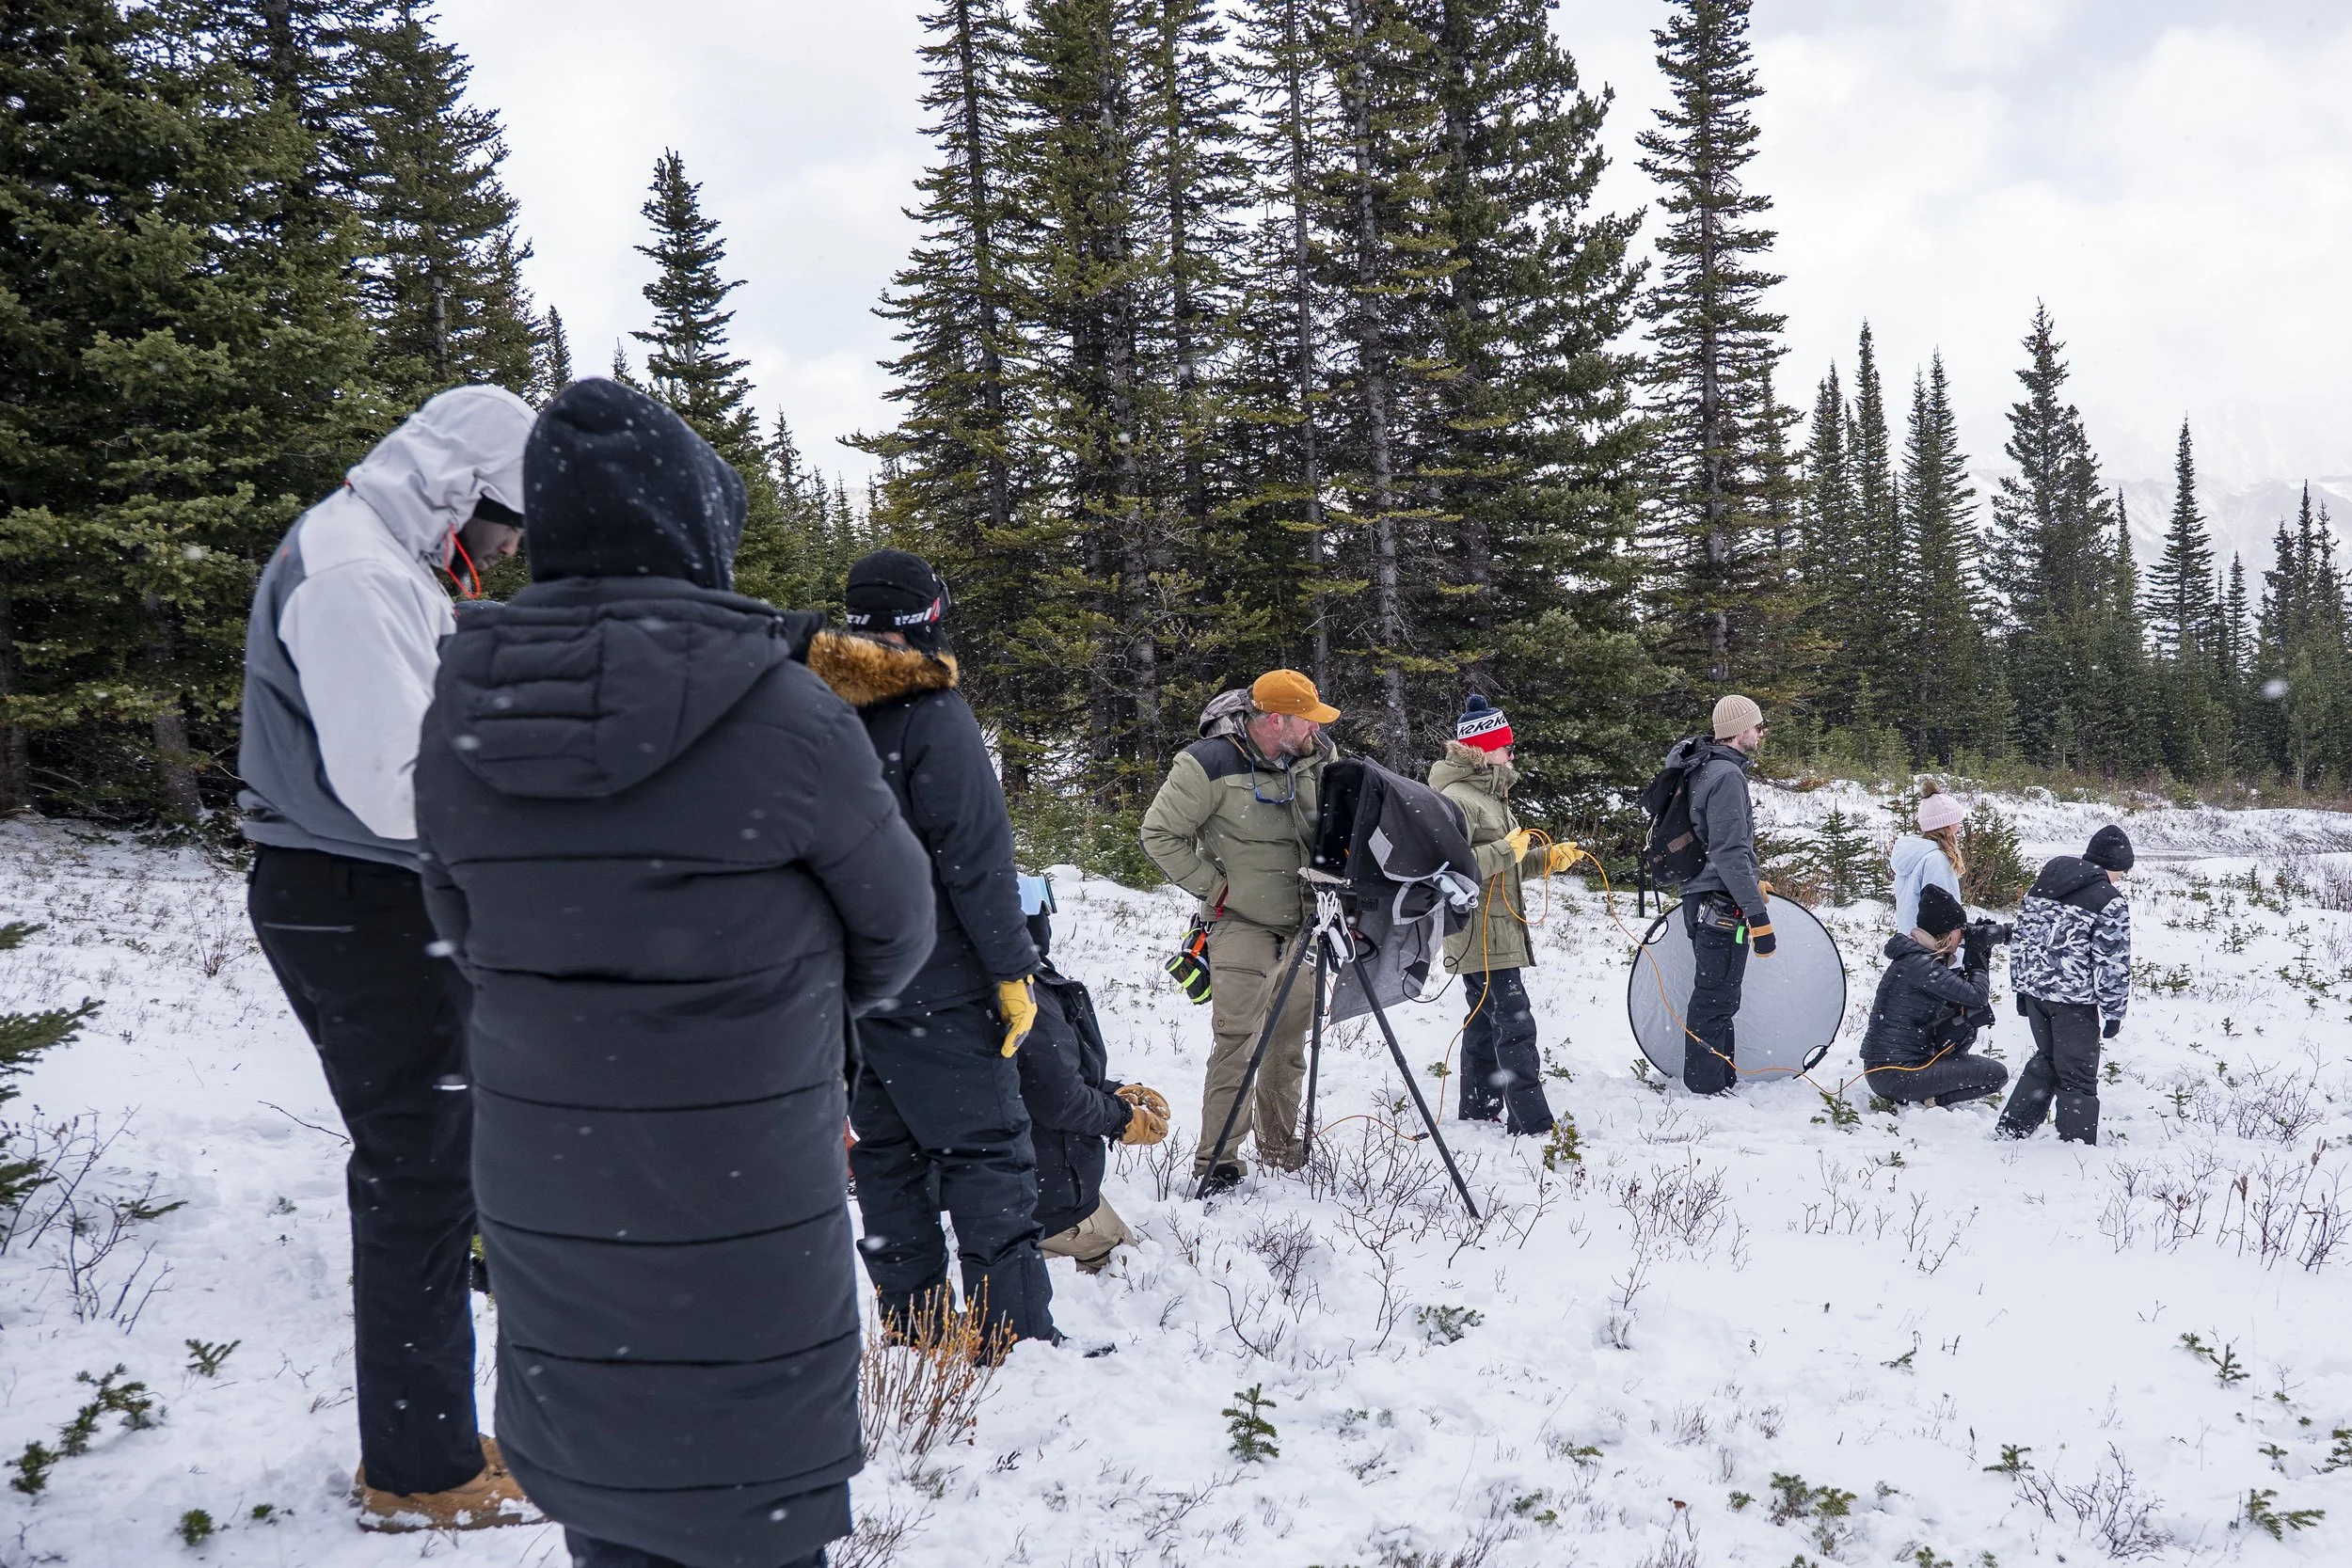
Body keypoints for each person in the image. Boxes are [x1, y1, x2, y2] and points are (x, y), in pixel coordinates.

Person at [411, 379, 936, 1568]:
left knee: (611, 1493)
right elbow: (898, 924)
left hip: (553, 1172)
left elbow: (457, 917)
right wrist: (787, 1008)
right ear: (696, 528)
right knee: (751, 1497)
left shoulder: (461, 710)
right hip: (743, 1173)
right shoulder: (786, 712)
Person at [237, 384, 536, 1530]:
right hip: (353, 893)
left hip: (367, 890)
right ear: (461, 491)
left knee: (434, 1155)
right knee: (417, 1163)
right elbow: (391, 786)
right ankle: (420, 1469)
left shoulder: (382, 558)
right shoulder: (359, 574)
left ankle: (434, 1438)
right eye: (506, 522)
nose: (509, 548)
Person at [804, 548, 1057, 1351]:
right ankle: (1009, 1334)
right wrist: (1012, 968)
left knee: (885, 1155)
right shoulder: (932, 711)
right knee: (988, 1153)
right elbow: (975, 856)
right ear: (930, 613)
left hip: (853, 979)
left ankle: (914, 1325)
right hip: (940, 976)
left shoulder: (815, 705)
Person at [1139, 670, 1340, 1193]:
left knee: (1289, 1044)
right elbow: (1159, 833)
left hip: (1303, 926)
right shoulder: (1207, 763)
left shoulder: (1318, 756)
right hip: (1240, 928)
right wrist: (1215, 888)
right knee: (1237, 1044)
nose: (1315, 729)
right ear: (1276, 720)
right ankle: (1219, 1162)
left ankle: (1280, 1146)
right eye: (1306, 720)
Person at [1428, 694, 1574, 1134]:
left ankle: (1478, 1109)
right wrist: (1504, 849)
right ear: (1485, 748)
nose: (1513, 753)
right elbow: (1449, 871)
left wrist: (1545, 859)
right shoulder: (1458, 799)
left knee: (1482, 1021)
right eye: (1507, 745)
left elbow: (1502, 864)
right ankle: (1532, 1123)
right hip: (1478, 931)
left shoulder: (1491, 797)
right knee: (1515, 1024)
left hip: (1497, 929)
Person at [1013, 879, 1169, 1274]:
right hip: (1044, 1200)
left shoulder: (995, 979)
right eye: (1039, 909)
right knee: (1130, 1265)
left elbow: (1041, 1076)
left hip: (1019, 1185)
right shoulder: (1024, 994)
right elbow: (1057, 1098)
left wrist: (1114, 1091)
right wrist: (1121, 1118)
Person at [1998, 826, 2134, 1145]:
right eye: (2122, 873)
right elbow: (2112, 962)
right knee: (2079, 1074)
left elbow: (2023, 940)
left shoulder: (2042, 887)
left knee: (2047, 1057)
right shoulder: (2109, 901)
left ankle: (2013, 1129)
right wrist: (2114, 1012)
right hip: (2074, 1001)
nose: (2119, 880)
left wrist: (2021, 989)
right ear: (2114, 867)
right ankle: (2076, 1146)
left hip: (2035, 994)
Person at [1673, 695, 1773, 1096]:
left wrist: (1754, 879)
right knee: (1716, 995)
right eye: (1756, 726)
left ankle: (1720, 1078)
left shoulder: (1704, 769)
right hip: (1719, 903)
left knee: (1721, 991)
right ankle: (1706, 1087)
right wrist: (1757, 917)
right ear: (1738, 730)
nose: (1761, 732)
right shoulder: (1727, 776)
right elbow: (1729, 851)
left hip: (1704, 899)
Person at [1859, 885, 2011, 1108]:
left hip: (1887, 1070)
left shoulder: (1917, 960)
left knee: (1967, 1017)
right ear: (1948, 932)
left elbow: (1963, 995)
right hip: (1897, 1073)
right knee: (1997, 1075)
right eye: (1961, 930)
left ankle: (1928, 1092)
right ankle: (1930, 1099)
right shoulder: (1921, 965)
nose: (1963, 937)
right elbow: (1976, 996)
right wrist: (1976, 957)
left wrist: (1979, 955)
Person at [1890, 784, 1968, 943]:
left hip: (1913, 947)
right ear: (1945, 826)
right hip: (1935, 951)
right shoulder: (1936, 860)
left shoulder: (1915, 855)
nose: (1959, 828)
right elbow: (1943, 917)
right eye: (1956, 822)